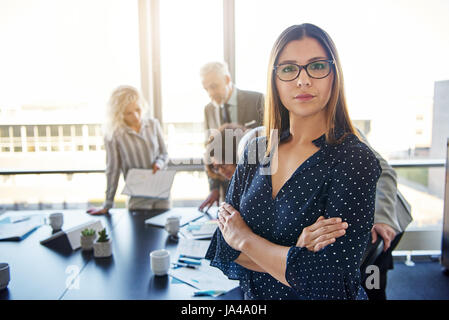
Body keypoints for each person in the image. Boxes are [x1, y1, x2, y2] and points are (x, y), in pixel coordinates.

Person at [205, 23, 382, 300]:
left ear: (334, 75)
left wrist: (245, 239)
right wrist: (295, 256)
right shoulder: (256, 148)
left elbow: (331, 283)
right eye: (288, 69)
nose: (303, 80)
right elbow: (223, 247)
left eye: (317, 66)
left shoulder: (354, 159)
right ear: (274, 80)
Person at [87, 85, 169, 215]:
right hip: (137, 197)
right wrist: (107, 204)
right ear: (119, 114)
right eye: (128, 113)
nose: (136, 116)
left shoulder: (153, 125)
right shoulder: (114, 134)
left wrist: (159, 163)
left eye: (138, 109)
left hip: (160, 193)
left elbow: (164, 154)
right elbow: (112, 170)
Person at [199, 61, 264, 212]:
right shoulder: (209, 109)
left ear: (227, 79)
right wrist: (214, 187)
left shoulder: (257, 100)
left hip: (256, 187)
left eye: (213, 86)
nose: (210, 93)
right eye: (206, 88)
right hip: (227, 187)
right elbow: (209, 150)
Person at [358, 129, 412, 300]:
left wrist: (381, 217)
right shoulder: (278, 134)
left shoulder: (341, 126)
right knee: (374, 274)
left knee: (371, 284)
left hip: (385, 217)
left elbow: (384, 172)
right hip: (365, 221)